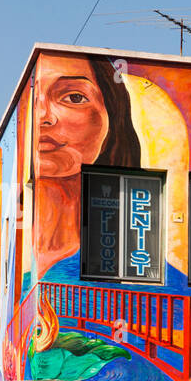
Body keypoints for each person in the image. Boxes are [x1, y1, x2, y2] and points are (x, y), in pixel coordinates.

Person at [33, 54, 142, 279]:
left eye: (73, 97)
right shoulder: (10, 268)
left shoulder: (136, 265)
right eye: (32, 101)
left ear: (111, 117)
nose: (44, 116)